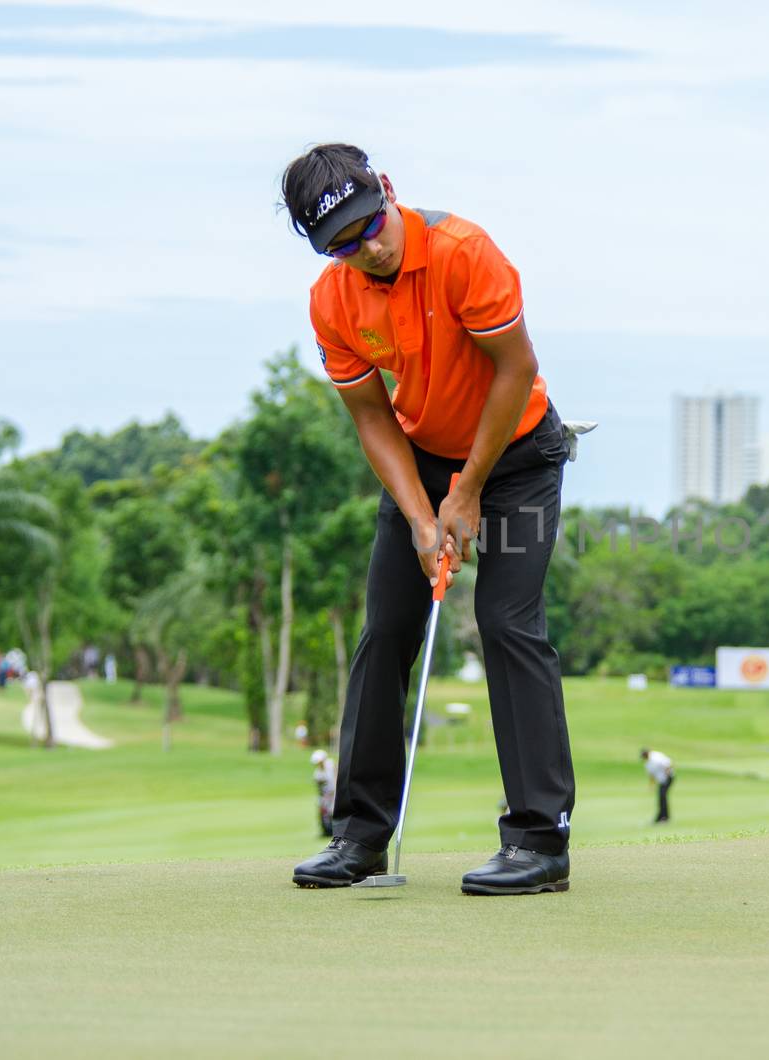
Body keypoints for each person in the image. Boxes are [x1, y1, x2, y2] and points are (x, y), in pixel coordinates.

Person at [282, 144, 577, 896]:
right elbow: (372, 417)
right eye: (342, 243)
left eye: (369, 224)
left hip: (515, 457)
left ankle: (539, 840)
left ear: (387, 191)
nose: (367, 248)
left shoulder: (462, 253)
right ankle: (358, 836)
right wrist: (421, 513)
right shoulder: (333, 297)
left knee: (507, 621)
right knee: (385, 631)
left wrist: (469, 490)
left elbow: (514, 368)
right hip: (422, 461)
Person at [640, 748, 674, 823]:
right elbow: (651, 776)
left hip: (668, 778)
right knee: (661, 797)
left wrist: (667, 776)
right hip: (662, 781)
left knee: (662, 796)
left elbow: (668, 765)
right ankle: (661, 817)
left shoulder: (656, 757)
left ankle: (664, 817)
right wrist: (651, 785)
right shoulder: (647, 764)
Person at [311, 750, 337, 838]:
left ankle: (335, 831)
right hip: (325, 796)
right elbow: (319, 788)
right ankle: (326, 831)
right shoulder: (317, 773)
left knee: (333, 811)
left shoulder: (331, 765)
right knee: (324, 813)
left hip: (334, 794)